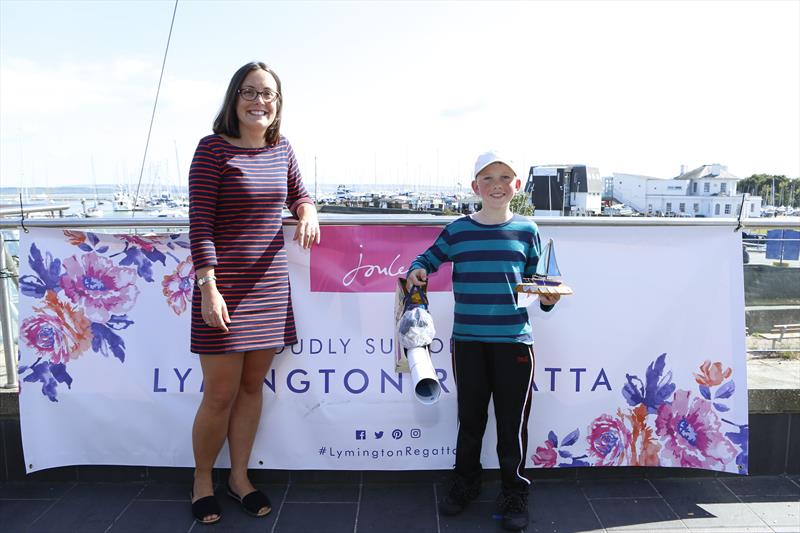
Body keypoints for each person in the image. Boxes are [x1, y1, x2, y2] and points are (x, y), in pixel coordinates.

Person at [188, 61, 320, 525]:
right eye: (250, 92)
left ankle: (239, 477)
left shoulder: (281, 149)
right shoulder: (212, 150)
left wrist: (306, 211)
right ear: (234, 98)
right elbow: (200, 222)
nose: (259, 101)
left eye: (268, 94)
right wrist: (208, 286)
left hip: (269, 288)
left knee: (250, 388)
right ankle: (203, 478)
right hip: (223, 287)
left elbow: (300, 193)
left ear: (277, 104)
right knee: (219, 394)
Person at [406, 150, 559, 531]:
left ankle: (514, 491)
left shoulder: (528, 230)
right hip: (468, 343)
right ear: (475, 186)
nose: (496, 185)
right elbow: (427, 258)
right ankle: (465, 483)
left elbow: (535, 283)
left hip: (514, 342)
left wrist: (548, 298)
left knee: (512, 424)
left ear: (517, 186)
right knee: (469, 419)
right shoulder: (458, 230)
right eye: (487, 179)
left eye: (504, 177)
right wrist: (417, 269)